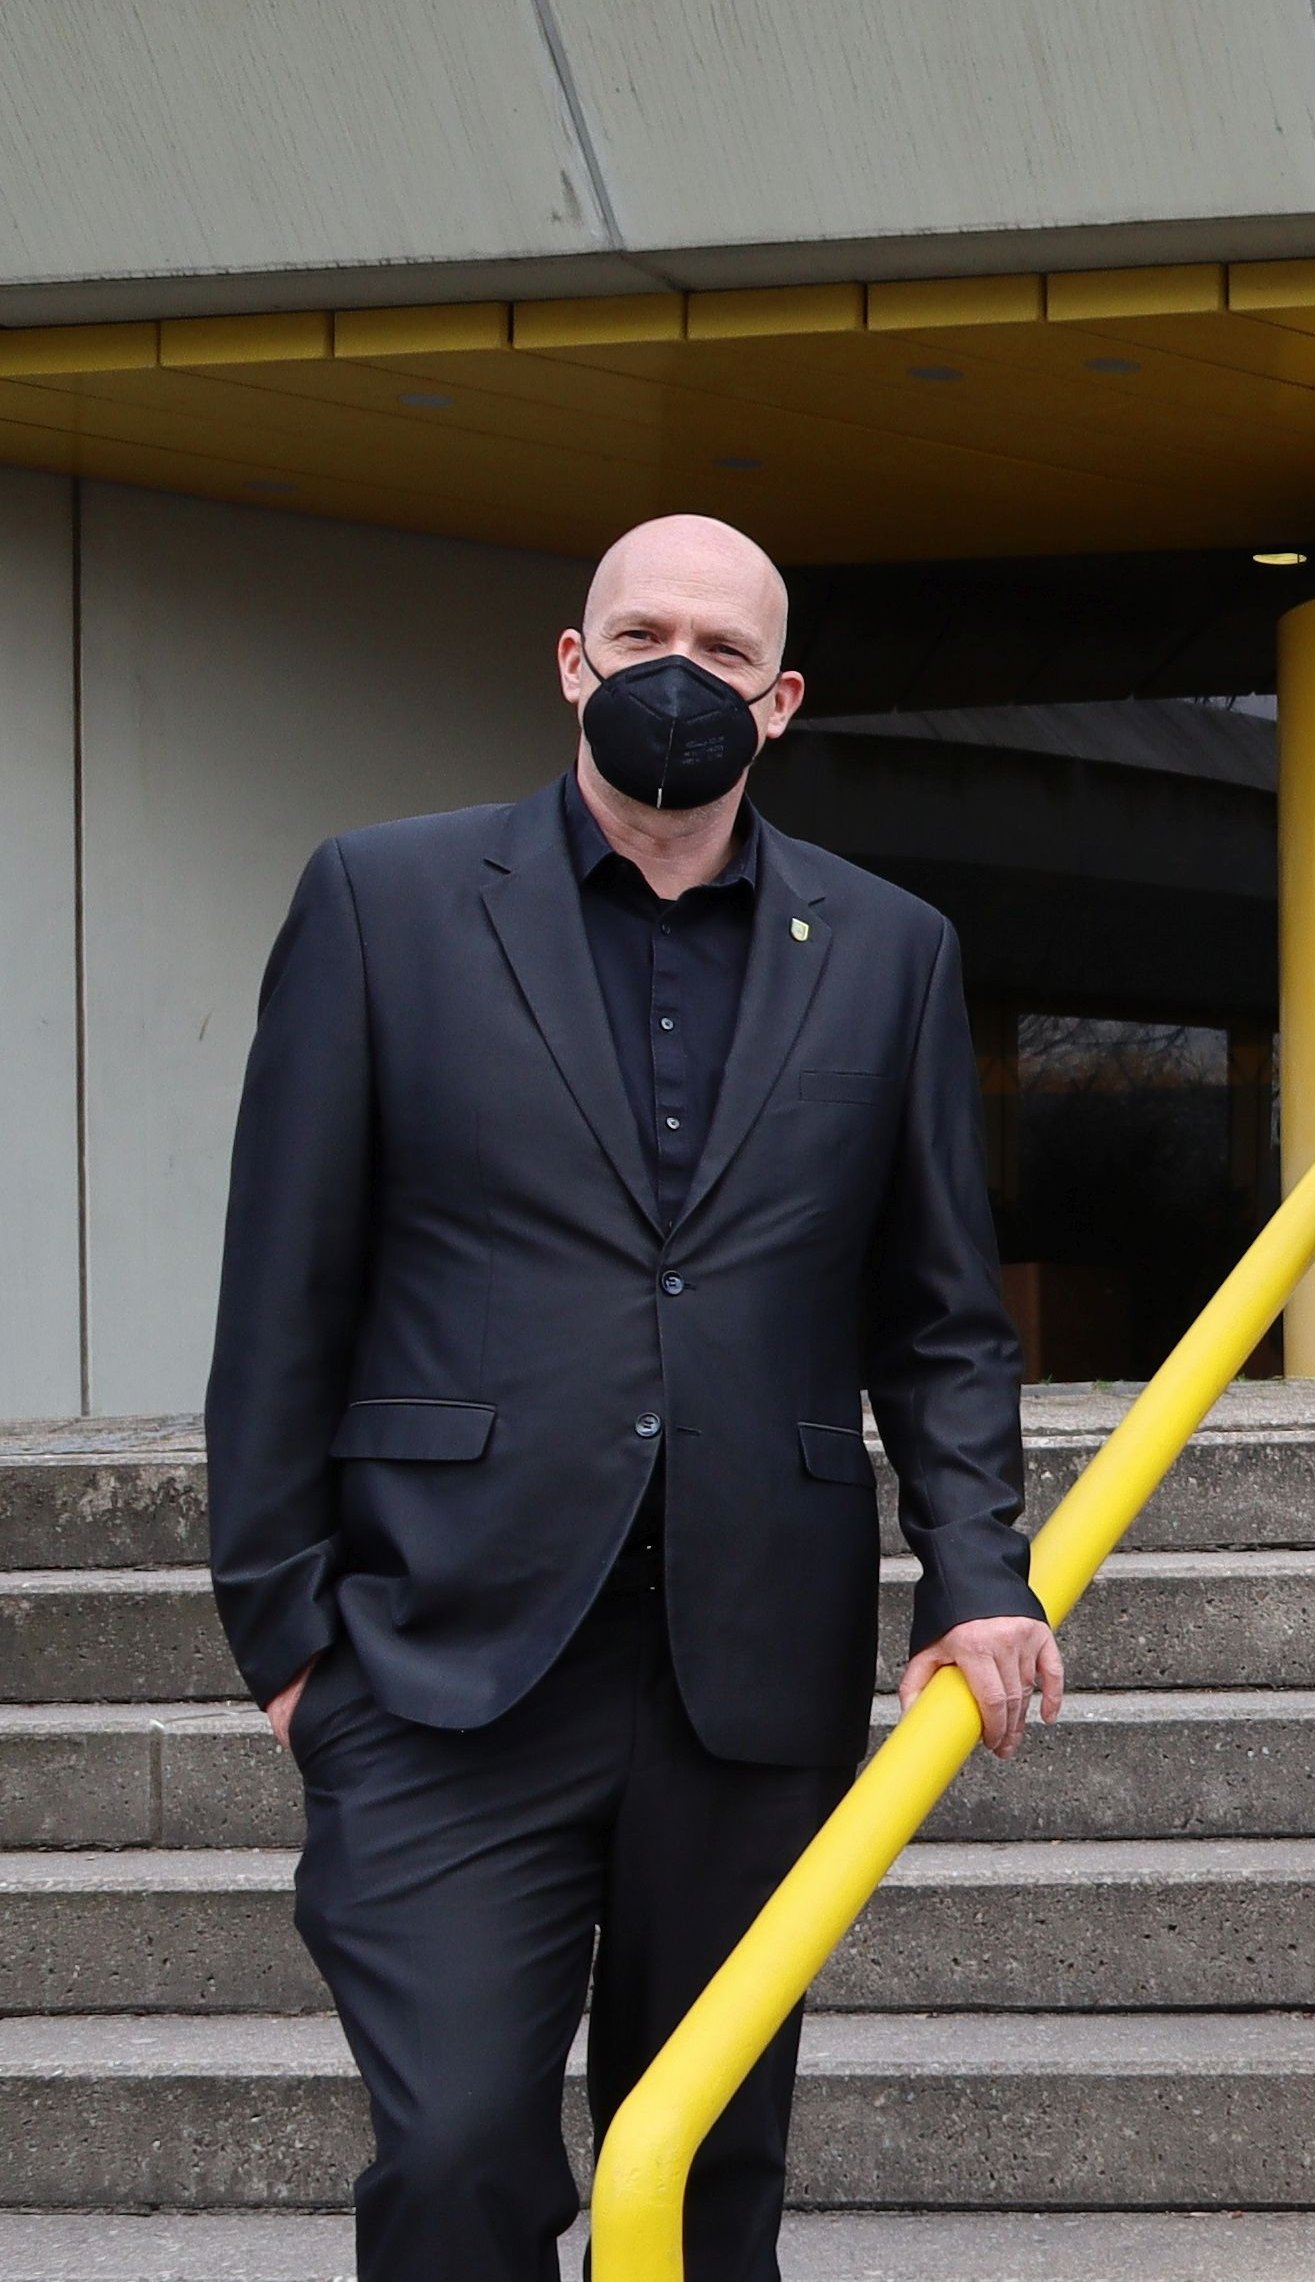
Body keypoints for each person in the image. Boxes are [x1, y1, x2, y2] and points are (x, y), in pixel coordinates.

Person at [204, 514, 1057, 2282]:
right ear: (573, 662)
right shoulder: (384, 900)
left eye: (725, 649)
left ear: (783, 698)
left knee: (713, 2170)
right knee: (454, 2156)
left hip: (751, 1672)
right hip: (444, 1665)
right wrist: (288, 1640)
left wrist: (974, 1569)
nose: (683, 669)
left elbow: (941, 1315)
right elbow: (285, 1287)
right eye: (643, 631)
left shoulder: (888, 949)